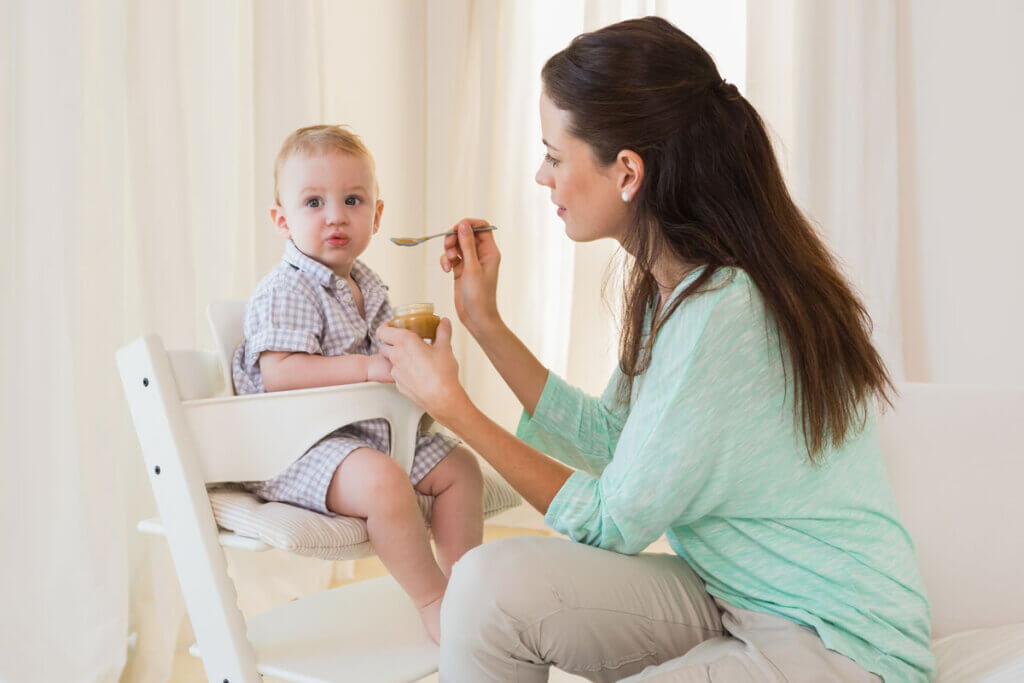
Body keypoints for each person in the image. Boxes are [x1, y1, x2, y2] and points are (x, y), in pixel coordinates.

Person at [377, 17, 935, 682]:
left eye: (555, 155)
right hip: (732, 594)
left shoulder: (723, 313)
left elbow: (611, 521)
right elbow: (617, 439)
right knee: (482, 585)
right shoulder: (678, 287)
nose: (540, 175)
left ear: (627, 172)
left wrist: (456, 408)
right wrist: (485, 322)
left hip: (836, 642)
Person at [232, 124, 483, 643]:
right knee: (383, 481)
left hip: (362, 435)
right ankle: (434, 601)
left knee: (460, 468)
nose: (335, 216)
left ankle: (467, 590)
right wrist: (369, 368)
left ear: (377, 214)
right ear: (282, 220)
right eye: (313, 202)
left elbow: (390, 361)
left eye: (352, 200)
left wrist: (419, 362)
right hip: (294, 447)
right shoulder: (288, 287)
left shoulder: (368, 286)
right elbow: (282, 375)